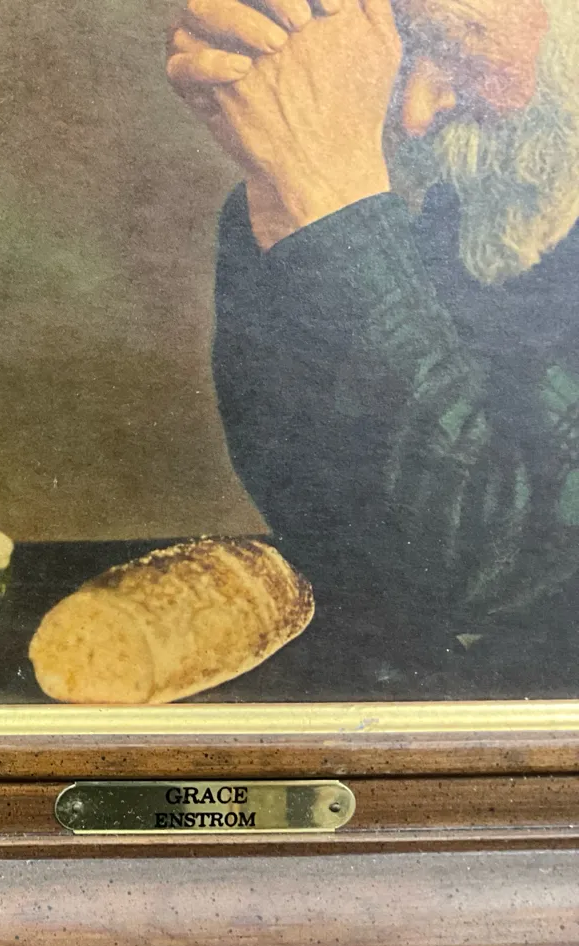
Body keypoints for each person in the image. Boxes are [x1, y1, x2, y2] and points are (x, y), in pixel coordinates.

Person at [166, 0, 579, 694]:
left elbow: (500, 565)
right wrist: (281, 173)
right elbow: (334, 536)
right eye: (393, 48)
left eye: (452, 46)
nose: (412, 117)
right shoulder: (445, 189)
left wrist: (325, 198)